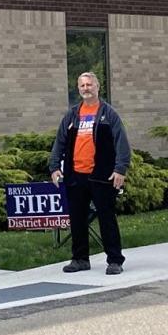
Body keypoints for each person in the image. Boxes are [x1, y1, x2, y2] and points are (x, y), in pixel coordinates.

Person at [49, 72, 130, 275]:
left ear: (97, 87)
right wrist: (54, 166)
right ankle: (80, 259)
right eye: (82, 85)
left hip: (102, 175)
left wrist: (120, 169)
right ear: (78, 89)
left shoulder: (108, 113)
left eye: (89, 84)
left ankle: (114, 260)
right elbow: (59, 141)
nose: (86, 88)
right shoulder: (72, 114)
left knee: (106, 218)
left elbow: (121, 142)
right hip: (75, 175)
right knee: (77, 219)